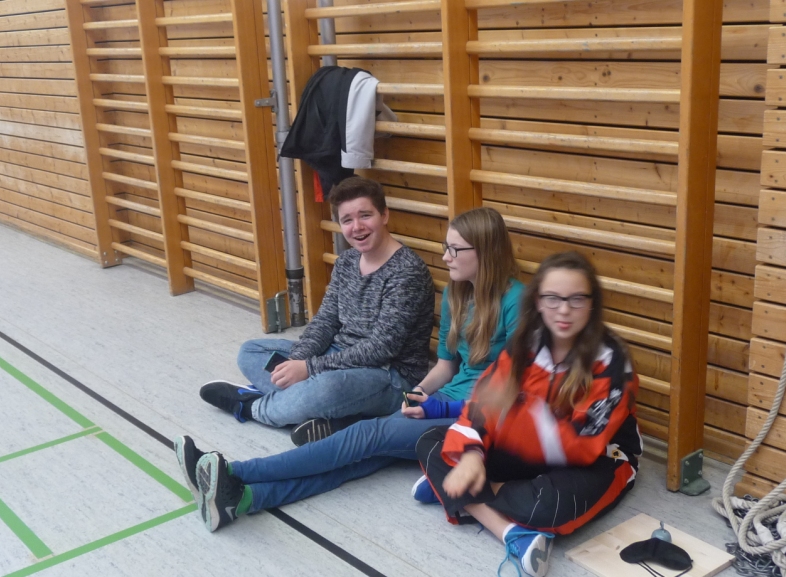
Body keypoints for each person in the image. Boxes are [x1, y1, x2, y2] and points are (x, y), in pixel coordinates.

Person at [175, 207, 525, 533]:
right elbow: (447, 365)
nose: (446, 257)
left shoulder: (518, 301)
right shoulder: (456, 293)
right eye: (446, 247)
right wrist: (417, 395)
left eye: (455, 250)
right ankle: (242, 499)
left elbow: (516, 390)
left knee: (365, 437)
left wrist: (438, 410)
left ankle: (233, 471)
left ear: (485, 251)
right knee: (360, 459)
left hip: (476, 420)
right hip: (443, 401)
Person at [415, 251, 642, 577]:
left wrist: (520, 410)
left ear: (592, 304)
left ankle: (458, 493)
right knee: (432, 440)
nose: (564, 310)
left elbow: (579, 447)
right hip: (528, 452)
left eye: (577, 299)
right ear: (538, 301)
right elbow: (480, 408)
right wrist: (472, 456)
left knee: (548, 505)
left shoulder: (613, 362)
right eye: (553, 298)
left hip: (597, 458)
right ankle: (511, 532)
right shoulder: (524, 344)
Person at [199, 176, 435, 429]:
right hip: (336, 357)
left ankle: (252, 407)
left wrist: (309, 369)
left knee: (327, 388)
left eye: (365, 215)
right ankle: (319, 411)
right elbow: (325, 321)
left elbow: (381, 349)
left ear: (384, 215)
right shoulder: (346, 261)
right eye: (347, 220)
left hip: (389, 376)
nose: (357, 227)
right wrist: (295, 363)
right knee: (251, 351)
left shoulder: (407, 272)